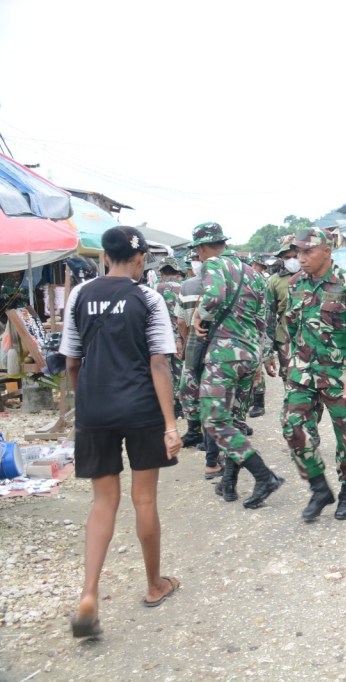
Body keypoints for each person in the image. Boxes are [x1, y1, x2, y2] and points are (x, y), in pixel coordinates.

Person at [60, 226, 182, 639]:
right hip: (141, 407)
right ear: (140, 257)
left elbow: (72, 361)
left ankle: (89, 595)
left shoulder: (79, 295)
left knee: (102, 503)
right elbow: (159, 363)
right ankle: (153, 585)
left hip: (95, 408)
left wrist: (89, 402)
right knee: (143, 498)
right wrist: (170, 425)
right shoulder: (147, 298)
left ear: (104, 256)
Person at [191, 221, 283, 509]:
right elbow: (265, 320)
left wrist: (199, 315)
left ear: (202, 247)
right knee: (236, 420)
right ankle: (228, 482)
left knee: (215, 419)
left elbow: (215, 296)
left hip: (224, 356)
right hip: (249, 357)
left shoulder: (213, 265)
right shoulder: (254, 274)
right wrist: (264, 355)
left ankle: (264, 475)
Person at [280, 227, 346, 522]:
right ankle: (319, 487)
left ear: (327, 251)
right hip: (303, 373)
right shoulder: (295, 284)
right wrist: (289, 364)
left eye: (307, 252)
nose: (300, 258)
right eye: (298, 252)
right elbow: (292, 327)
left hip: (338, 375)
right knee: (293, 426)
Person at [174, 251, 209, 454]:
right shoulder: (228, 284)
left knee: (188, 389)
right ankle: (211, 435)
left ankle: (194, 430)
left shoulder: (187, 286)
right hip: (220, 347)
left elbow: (180, 320)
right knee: (212, 393)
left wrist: (186, 341)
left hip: (193, 346)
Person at [155, 257, 186, 418]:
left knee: (164, 370)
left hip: (161, 336)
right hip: (181, 335)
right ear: (176, 271)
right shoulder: (184, 288)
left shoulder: (155, 288)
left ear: (161, 272)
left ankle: (168, 406)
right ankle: (180, 405)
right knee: (180, 370)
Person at [266, 238, 298, 374]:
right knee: (290, 380)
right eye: (287, 257)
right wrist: (268, 352)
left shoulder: (313, 277)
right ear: (281, 259)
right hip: (286, 339)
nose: (292, 260)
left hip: (313, 339)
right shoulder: (274, 281)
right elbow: (268, 317)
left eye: (296, 256)